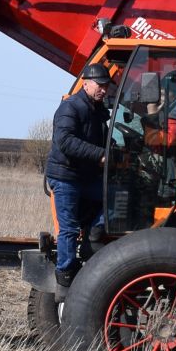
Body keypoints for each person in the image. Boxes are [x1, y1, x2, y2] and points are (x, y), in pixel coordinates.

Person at [45, 62, 112, 285]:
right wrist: (100, 155)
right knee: (69, 228)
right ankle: (65, 274)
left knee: (112, 199)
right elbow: (65, 141)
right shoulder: (70, 107)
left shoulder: (97, 110)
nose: (104, 89)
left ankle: (93, 236)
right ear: (86, 84)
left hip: (84, 176)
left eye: (106, 86)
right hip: (66, 177)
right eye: (100, 85)